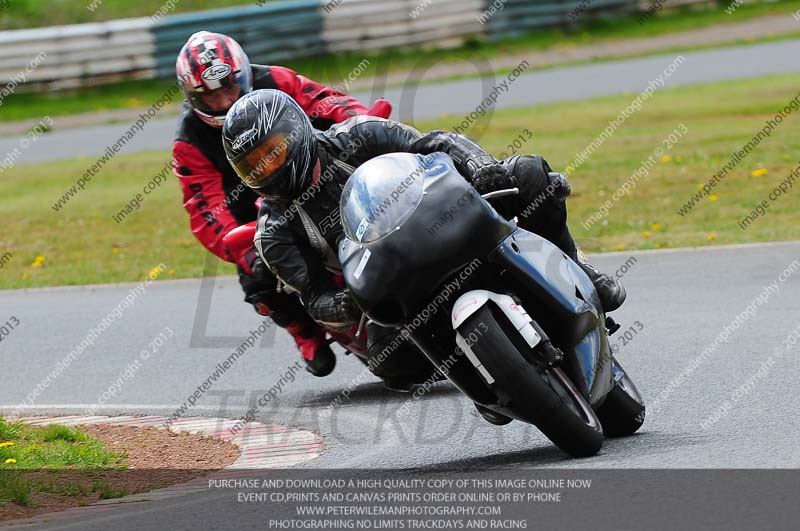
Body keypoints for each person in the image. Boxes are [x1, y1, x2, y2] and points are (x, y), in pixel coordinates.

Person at [221, 89, 626, 389]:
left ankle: (579, 270)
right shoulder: (273, 232)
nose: (267, 170)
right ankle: (485, 382)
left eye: (272, 153)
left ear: (295, 132)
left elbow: (434, 142)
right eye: (253, 168)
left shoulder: (358, 135)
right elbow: (313, 296)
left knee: (530, 174)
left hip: (445, 219)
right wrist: (343, 303)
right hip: (395, 280)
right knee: (388, 361)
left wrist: (481, 166)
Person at [172, 31, 391, 377]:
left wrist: (365, 124)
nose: (224, 100)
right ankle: (305, 331)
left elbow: (327, 102)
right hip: (257, 205)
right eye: (211, 97)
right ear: (193, 97)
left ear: (244, 75)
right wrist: (242, 250)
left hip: (315, 166)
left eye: (229, 88)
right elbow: (205, 211)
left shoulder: (275, 80)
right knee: (256, 277)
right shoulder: (189, 142)